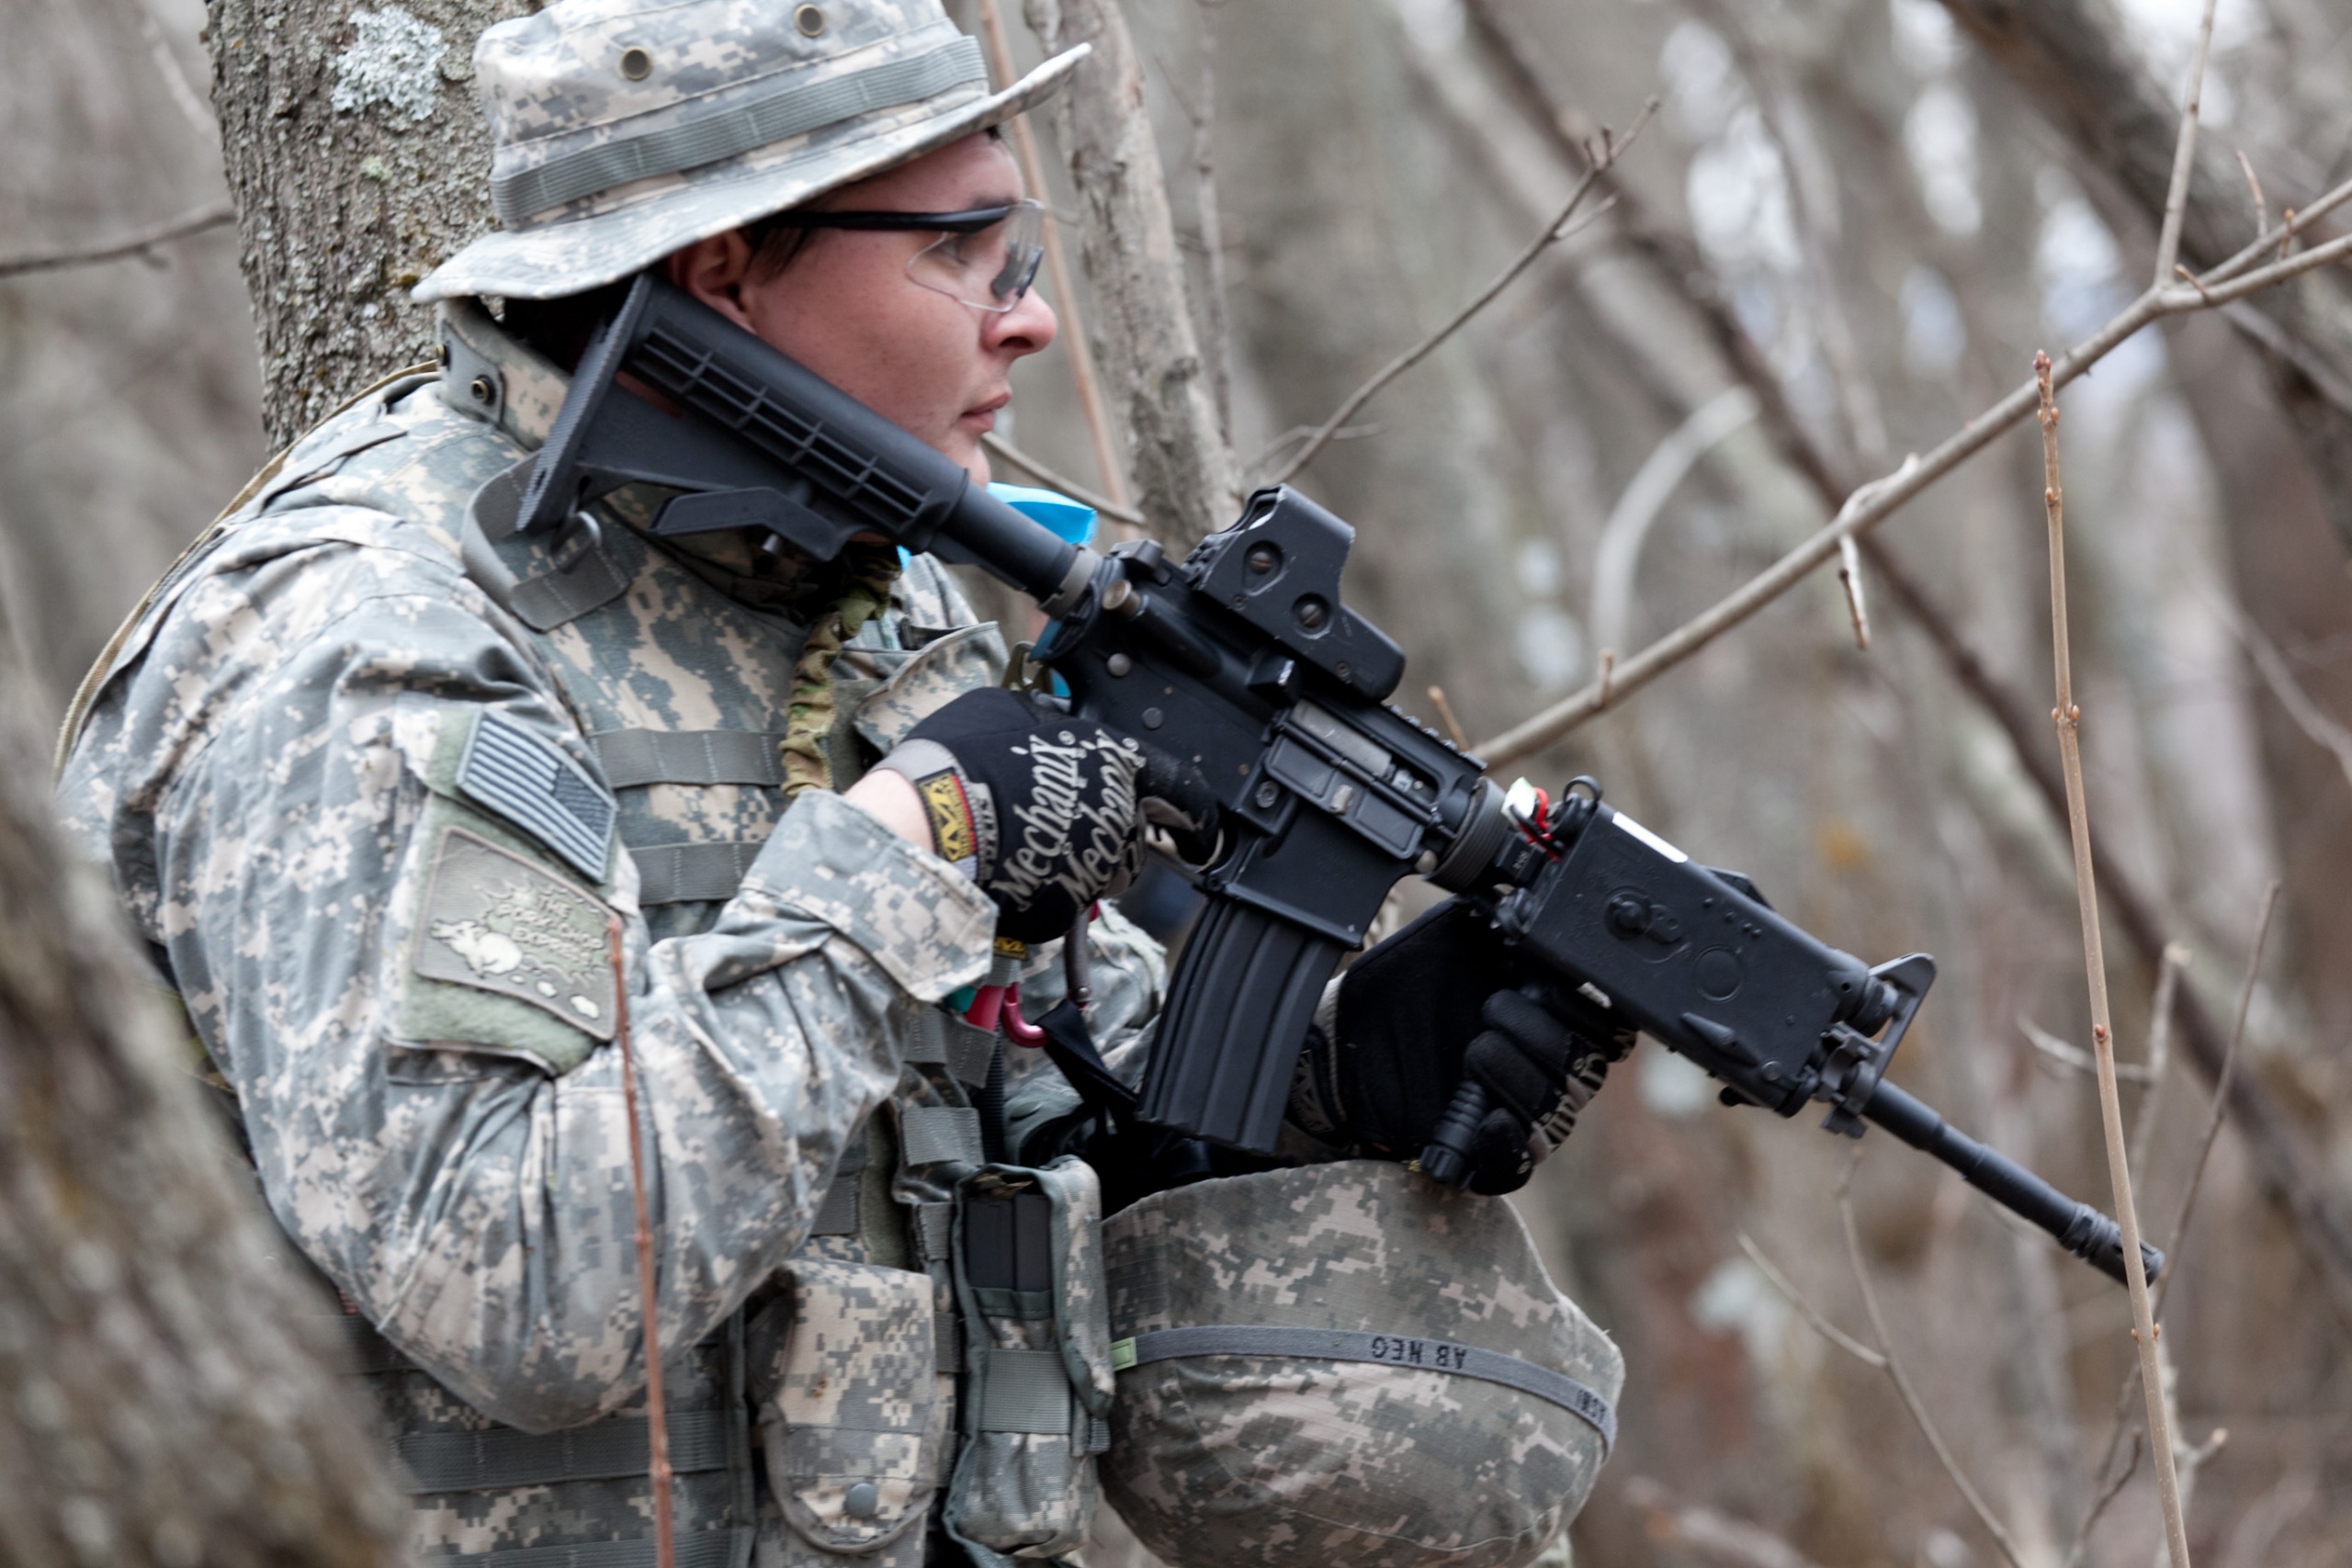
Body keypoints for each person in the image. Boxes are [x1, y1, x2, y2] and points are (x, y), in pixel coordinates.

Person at [57, 3, 1625, 1564]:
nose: (1030, 319)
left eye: (1020, 253)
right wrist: (908, 851)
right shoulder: (377, 644)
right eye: (963, 252)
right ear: (725, 266)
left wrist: (1336, 1084)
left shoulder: (863, 601)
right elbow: (513, 1286)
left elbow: (1024, 1101)